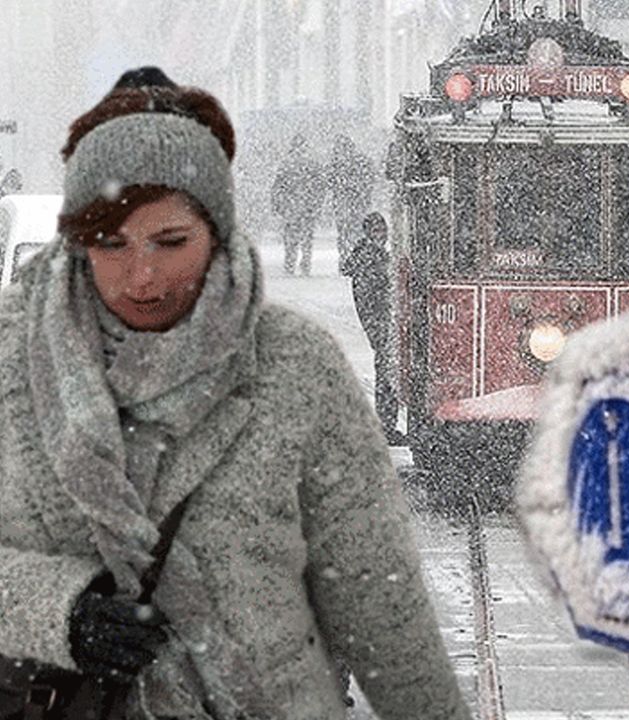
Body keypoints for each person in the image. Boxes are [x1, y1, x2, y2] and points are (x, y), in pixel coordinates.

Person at [0, 67, 468, 720]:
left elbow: (380, 599)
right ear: (79, 238)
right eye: (110, 241)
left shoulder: (295, 367)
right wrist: (64, 612)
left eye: (171, 242)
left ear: (216, 234)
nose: (143, 275)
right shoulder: (12, 362)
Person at [340, 211, 399, 443]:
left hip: (380, 323)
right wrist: (378, 327)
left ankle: (387, 423)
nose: (382, 236)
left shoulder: (370, 256)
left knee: (386, 371)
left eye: (383, 231)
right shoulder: (370, 258)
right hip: (381, 324)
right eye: (377, 231)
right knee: (386, 372)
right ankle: (386, 424)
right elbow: (368, 299)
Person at [271, 134, 325, 276]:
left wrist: (277, 204)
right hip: (308, 207)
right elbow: (320, 186)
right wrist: (317, 204)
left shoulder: (286, 163)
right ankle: (305, 263)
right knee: (307, 238)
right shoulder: (312, 163)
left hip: (291, 207)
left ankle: (290, 263)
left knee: (291, 238)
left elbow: (278, 186)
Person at [327, 135, 375, 273]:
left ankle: (346, 260)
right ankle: (358, 260)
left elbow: (329, 182)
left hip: (344, 205)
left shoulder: (336, 163)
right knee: (357, 233)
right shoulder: (362, 161)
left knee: (344, 234)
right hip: (358, 205)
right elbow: (370, 179)